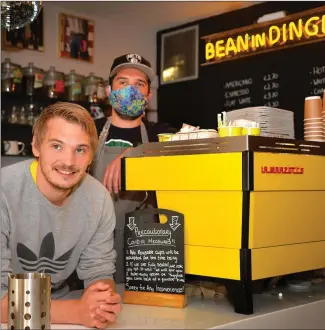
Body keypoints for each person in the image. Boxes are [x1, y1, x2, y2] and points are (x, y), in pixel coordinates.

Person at [1, 102, 122, 328]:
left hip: (59, 308)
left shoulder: (98, 199)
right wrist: (76, 312)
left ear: (91, 157)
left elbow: (99, 269)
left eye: (80, 150)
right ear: (36, 146)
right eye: (57, 146)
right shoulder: (4, 191)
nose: (68, 161)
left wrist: (102, 301)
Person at [91, 53, 177, 283]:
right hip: (93, 241)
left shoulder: (160, 133)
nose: (131, 90)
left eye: (139, 84)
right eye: (123, 82)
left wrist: (136, 152)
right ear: (109, 91)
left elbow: (189, 148)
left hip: (144, 242)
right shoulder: (88, 131)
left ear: (149, 94)